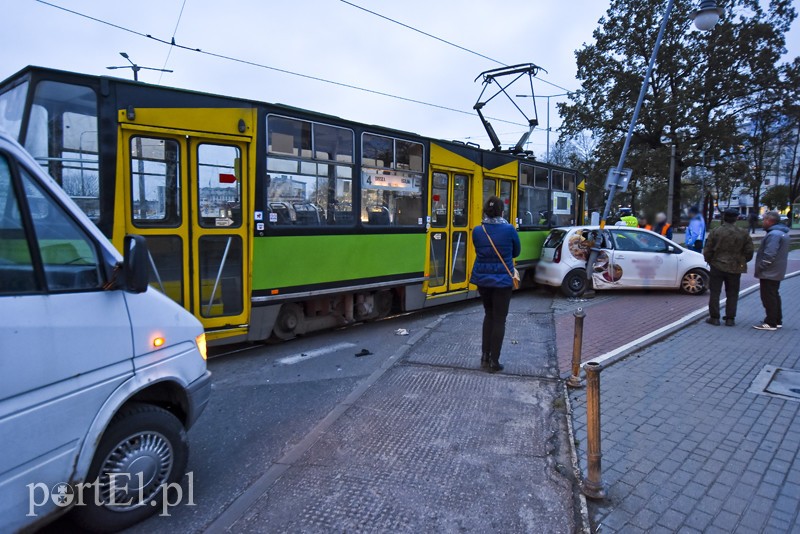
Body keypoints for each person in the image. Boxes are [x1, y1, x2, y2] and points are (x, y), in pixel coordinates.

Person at [471, 196, 521, 372]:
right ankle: (494, 362)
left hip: (483, 280)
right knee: (500, 319)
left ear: (485, 210)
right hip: (502, 282)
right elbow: (517, 251)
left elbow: (478, 250)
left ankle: (484, 356)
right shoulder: (509, 230)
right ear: (502, 211)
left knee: (489, 315)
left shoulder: (478, 230)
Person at [703, 208, 754, 327]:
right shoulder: (743, 233)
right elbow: (749, 251)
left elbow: (708, 249)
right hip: (735, 267)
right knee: (732, 293)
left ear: (724, 217)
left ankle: (714, 318)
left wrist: (709, 260)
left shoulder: (716, 231)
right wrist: (741, 260)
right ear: (736, 218)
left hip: (717, 265)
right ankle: (730, 319)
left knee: (715, 292)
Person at [753, 211, 791, 331]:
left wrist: (761, 267)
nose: (762, 222)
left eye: (764, 220)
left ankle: (771, 322)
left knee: (768, 296)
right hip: (777, 270)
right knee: (774, 295)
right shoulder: (782, 233)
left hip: (770, 272)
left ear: (769, 221)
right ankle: (777, 320)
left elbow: (769, 254)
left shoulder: (773, 235)